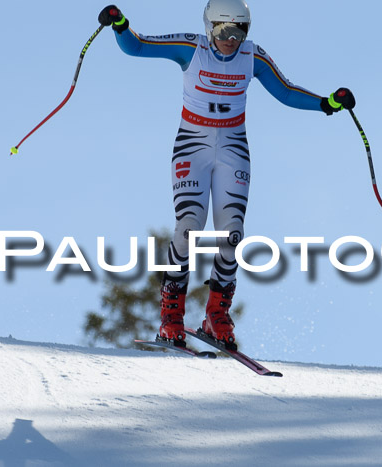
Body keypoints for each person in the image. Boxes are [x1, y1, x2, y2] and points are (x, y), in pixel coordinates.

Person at [98, 0, 355, 349]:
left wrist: (328, 103)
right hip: (193, 143)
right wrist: (120, 24)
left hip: (233, 146)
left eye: (239, 31)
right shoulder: (191, 48)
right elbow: (139, 46)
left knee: (233, 234)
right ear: (209, 27)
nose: (230, 39)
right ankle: (171, 315)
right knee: (188, 227)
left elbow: (286, 91)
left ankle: (216, 314)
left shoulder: (253, 57)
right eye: (223, 30)